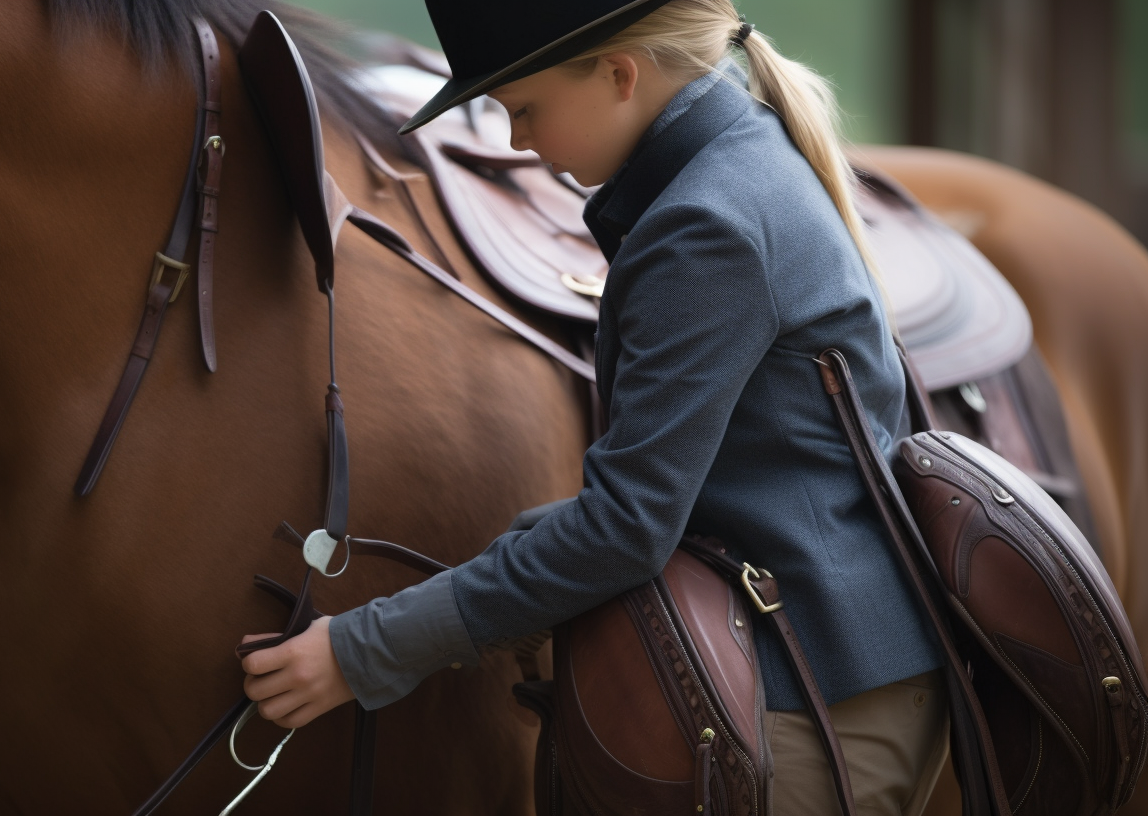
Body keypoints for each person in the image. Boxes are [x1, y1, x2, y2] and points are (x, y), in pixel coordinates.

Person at [238, 0, 949, 811]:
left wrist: (360, 652)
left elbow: (625, 529)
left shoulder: (703, 224)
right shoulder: (737, 163)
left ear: (619, 74)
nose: (516, 140)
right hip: (826, 666)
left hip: (811, 696)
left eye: (525, 108)